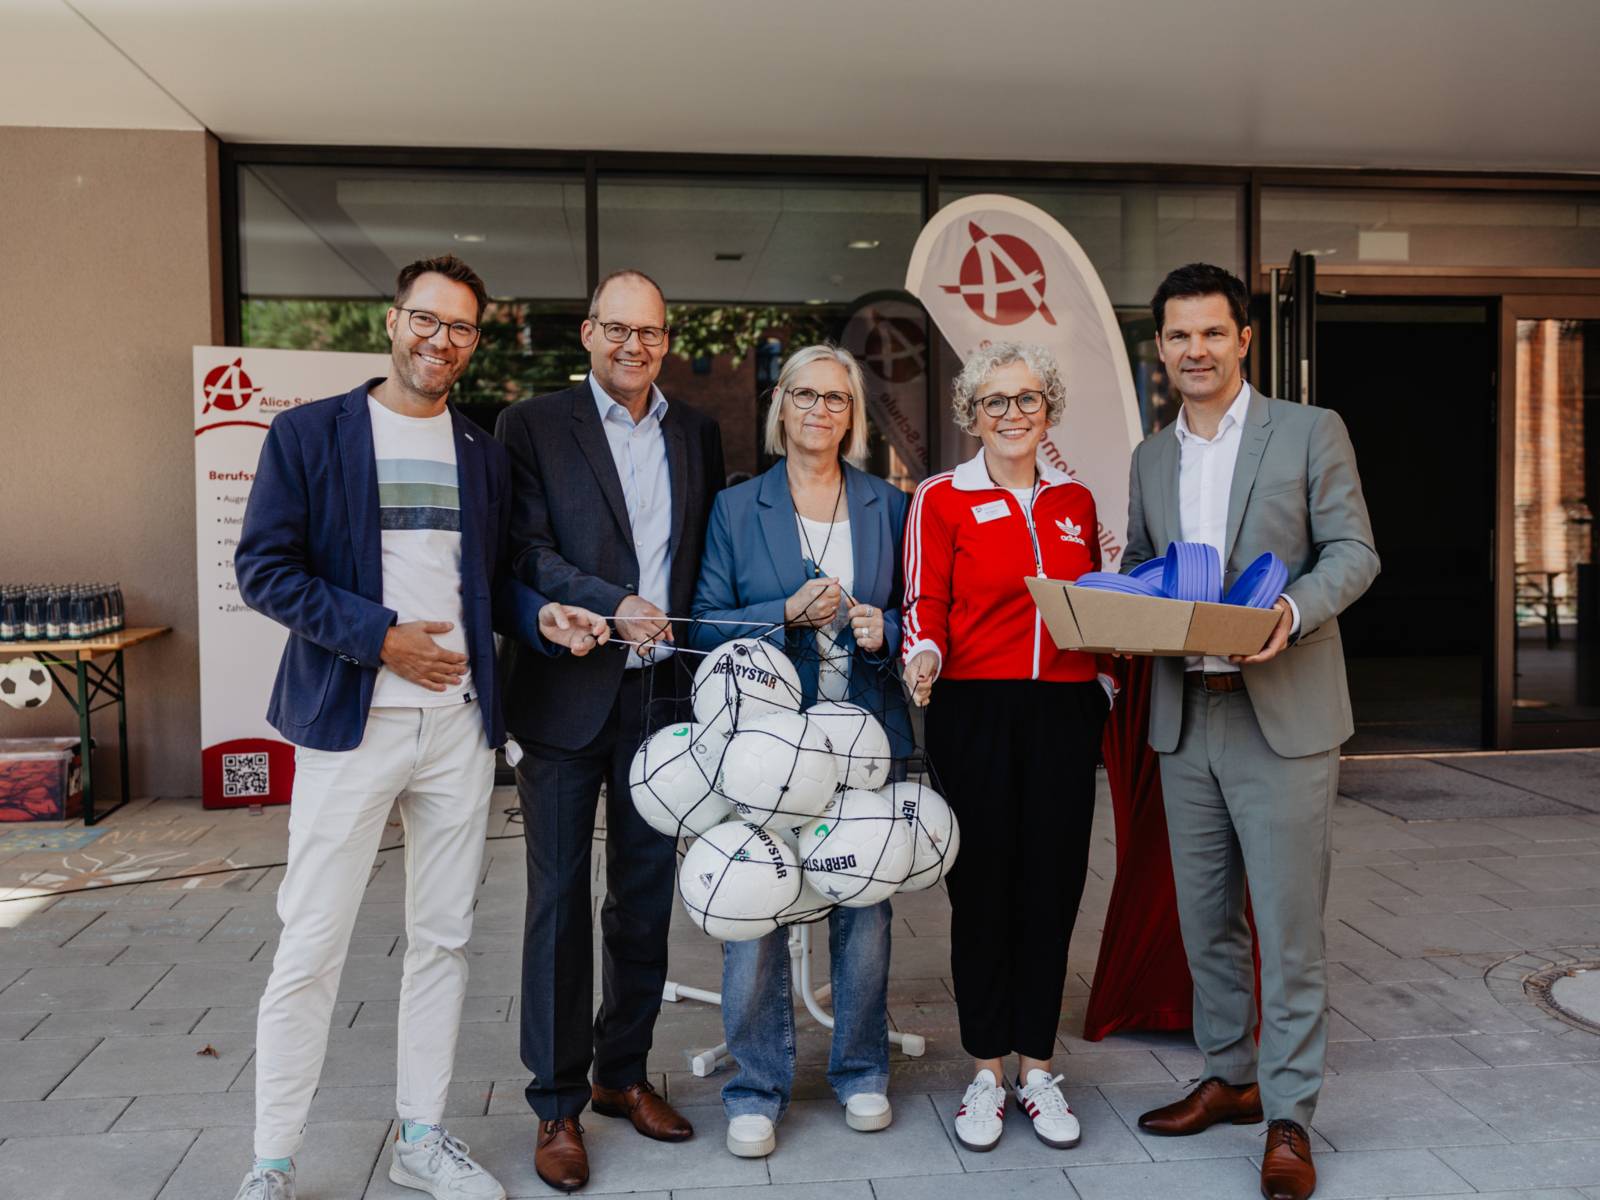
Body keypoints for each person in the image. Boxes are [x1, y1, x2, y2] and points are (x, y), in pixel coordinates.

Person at [232, 255, 610, 1200]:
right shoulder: (310, 435)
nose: (441, 342)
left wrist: (540, 620)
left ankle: (423, 1138)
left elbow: (492, 585)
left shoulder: (481, 451)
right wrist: (382, 640)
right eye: (426, 321)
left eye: (461, 329)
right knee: (312, 940)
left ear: (475, 345)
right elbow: (264, 572)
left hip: (457, 731)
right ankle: (273, 1161)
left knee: (443, 939)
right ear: (394, 322)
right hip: (349, 722)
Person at [1124, 263, 1378, 1200]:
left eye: (1212, 333)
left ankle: (1289, 1115)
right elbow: (1144, 565)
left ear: (1244, 340)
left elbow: (1354, 550)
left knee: (1288, 927)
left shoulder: (1309, 432)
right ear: (1162, 348)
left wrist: (1294, 614)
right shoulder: (1151, 457)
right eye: (1179, 336)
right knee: (1205, 925)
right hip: (1186, 717)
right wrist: (1121, 601)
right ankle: (1229, 1077)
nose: (1196, 350)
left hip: (1284, 717)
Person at [496, 269, 725, 1193]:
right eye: (619, 329)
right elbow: (525, 554)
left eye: (653, 332)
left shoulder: (698, 432)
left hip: (659, 698)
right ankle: (554, 1104)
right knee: (558, 900)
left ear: (667, 340)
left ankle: (619, 1075)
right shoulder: (533, 424)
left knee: (643, 895)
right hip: (563, 694)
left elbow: (701, 556)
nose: (636, 346)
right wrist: (611, 600)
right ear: (588, 332)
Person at [688, 344, 910, 1159]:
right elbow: (706, 622)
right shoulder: (737, 508)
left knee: (866, 905)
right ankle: (756, 1085)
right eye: (805, 396)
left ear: (853, 416)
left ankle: (860, 1070)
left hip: (861, 738)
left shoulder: (889, 505)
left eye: (837, 399)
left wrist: (883, 629)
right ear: (781, 408)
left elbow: (913, 623)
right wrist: (782, 611)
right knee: (751, 906)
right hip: (764, 740)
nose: (821, 410)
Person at [900, 342, 1113, 1155]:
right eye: (996, 401)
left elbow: (1096, 601)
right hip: (973, 706)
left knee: (1053, 889)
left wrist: (1111, 681)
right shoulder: (941, 497)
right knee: (983, 890)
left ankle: (1038, 1070)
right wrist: (923, 652)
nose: (1013, 413)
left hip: (1063, 711)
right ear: (972, 414)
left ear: (1047, 410)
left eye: (1028, 399)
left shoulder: (1075, 501)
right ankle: (986, 1073)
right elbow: (924, 596)